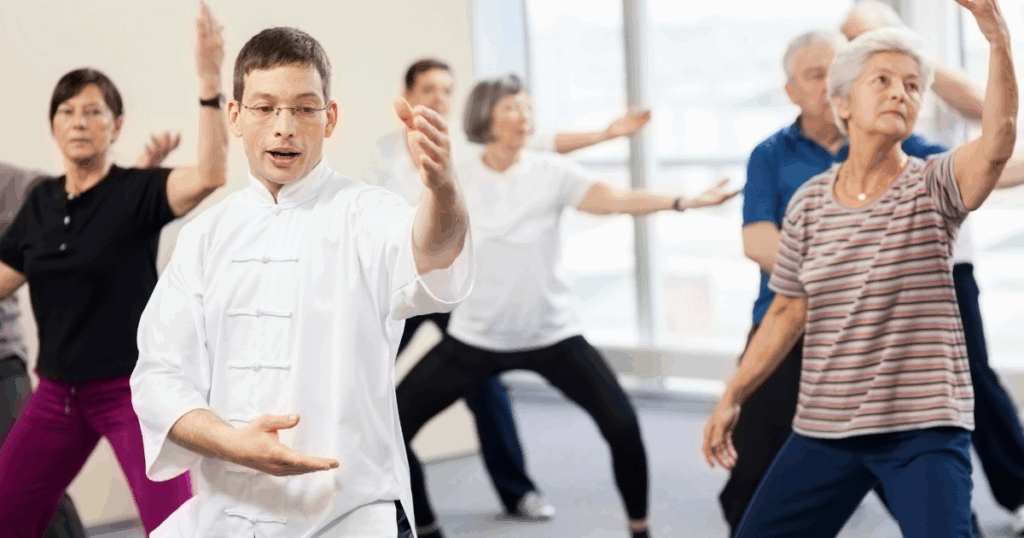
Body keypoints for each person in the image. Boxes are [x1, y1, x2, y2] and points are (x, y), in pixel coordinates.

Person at [130, 23, 473, 537]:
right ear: (235, 117)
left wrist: (443, 187)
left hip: (348, 512)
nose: (283, 126)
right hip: (226, 512)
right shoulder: (204, 236)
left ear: (329, 118)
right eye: (265, 107)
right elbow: (159, 377)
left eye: (303, 108)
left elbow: (432, 251)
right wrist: (232, 443)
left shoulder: (365, 212)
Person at [705, 0, 1017, 534]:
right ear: (842, 102)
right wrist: (731, 396)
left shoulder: (932, 183)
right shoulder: (807, 202)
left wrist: (996, 38)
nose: (902, 91)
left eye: (913, 85)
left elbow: (995, 144)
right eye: (884, 80)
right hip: (827, 427)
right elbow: (785, 311)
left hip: (922, 430)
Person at [398, 74, 738, 538]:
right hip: (476, 336)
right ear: (486, 118)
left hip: (552, 335)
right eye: (512, 108)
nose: (525, 116)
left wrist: (682, 201)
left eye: (527, 107)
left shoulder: (551, 172)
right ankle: (427, 527)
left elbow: (614, 199)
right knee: (394, 426)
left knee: (622, 426)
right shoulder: (459, 175)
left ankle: (640, 529)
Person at [363, 57, 654, 521]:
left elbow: (539, 141)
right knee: (373, 380)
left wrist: (607, 133)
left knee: (485, 381)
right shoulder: (383, 153)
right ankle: (401, 507)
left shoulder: (463, 141)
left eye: (446, 90)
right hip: (415, 284)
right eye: (429, 90)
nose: (439, 98)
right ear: (410, 93)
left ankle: (517, 491)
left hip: (465, 287)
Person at [0, 2, 228, 535]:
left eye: (93, 111)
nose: (79, 121)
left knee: (175, 526)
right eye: (67, 111)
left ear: (116, 125)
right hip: (56, 396)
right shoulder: (39, 204)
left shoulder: (136, 191)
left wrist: (209, 79)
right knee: (8, 514)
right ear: (53, 126)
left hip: (131, 390)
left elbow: (213, 172)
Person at [844, 5, 1024, 534]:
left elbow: (982, 109)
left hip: (946, 255)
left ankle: (1014, 490)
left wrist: (919, 55)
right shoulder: (865, 37)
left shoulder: (930, 61)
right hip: (879, 256)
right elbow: (857, 26)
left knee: (973, 379)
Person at [0, 140, 181, 538]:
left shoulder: (17, 185)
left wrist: (132, 184)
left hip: (24, 366)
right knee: (13, 498)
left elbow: (85, 207)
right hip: (59, 388)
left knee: (173, 522)